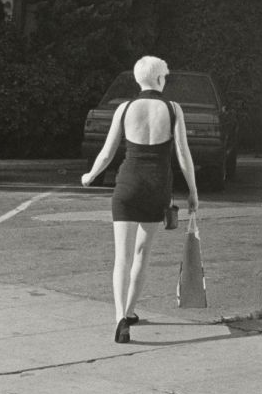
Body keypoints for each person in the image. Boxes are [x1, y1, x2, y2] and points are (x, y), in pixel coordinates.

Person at [81, 55, 198, 343]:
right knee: (142, 254)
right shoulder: (173, 109)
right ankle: (131, 310)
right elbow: (183, 154)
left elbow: (107, 152)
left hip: (127, 186)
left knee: (121, 256)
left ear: (137, 79)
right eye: (165, 76)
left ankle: (120, 317)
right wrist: (193, 191)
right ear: (159, 78)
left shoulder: (124, 108)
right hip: (157, 188)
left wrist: (90, 175)